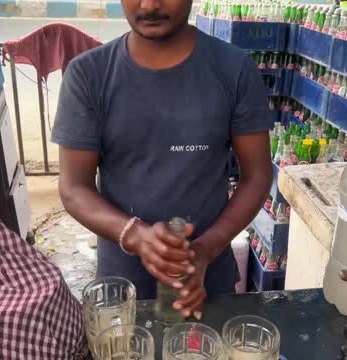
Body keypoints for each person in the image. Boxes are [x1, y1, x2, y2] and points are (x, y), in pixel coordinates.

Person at [52, 0, 272, 319]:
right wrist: (136, 235)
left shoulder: (234, 69)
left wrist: (205, 250)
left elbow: (257, 176)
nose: (150, 5)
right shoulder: (88, 75)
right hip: (122, 293)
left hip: (209, 287)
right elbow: (73, 187)